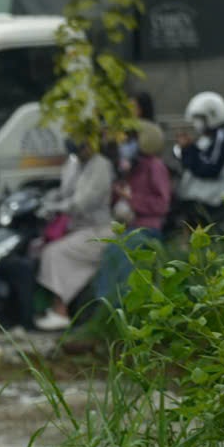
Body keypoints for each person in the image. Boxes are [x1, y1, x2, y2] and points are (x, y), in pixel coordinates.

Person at [31, 134, 116, 331]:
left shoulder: (100, 166)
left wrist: (56, 207)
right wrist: (45, 199)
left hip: (98, 231)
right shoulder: (73, 162)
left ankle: (60, 311)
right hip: (75, 229)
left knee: (54, 253)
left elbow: (82, 202)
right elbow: (63, 191)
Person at [173, 90, 224, 231]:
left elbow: (209, 168)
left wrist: (189, 149)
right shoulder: (206, 139)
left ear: (213, 116)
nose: (197, 123)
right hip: (196, 199)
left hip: (210, 199)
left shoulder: (222, 138)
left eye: (201, 118)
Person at [115, 118, 171, 236]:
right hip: (128, 225)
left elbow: (162, 204)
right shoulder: (132, 165)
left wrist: (132, 198)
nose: (126, 144)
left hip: (147, 228)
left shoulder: (155, 165)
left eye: (131, 140)